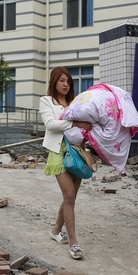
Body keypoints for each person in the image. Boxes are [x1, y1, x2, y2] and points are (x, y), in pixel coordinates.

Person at [40, 67, 92, 260]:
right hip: (58, 152)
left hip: (77, 153)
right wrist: (74, 124)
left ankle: (55, 230)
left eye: (68, 81)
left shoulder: (74, 103)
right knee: (69, 196)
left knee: (70, 198)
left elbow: (85, 127)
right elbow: (50, 124)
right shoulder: (47, 101)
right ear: (54, 81)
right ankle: (74, 243)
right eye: (62, 80)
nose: (65, 84)